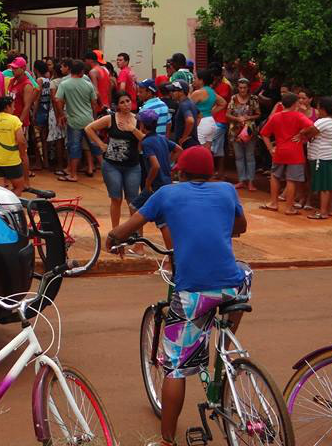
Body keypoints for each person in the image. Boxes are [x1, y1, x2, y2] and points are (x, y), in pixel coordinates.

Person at [107, 146, 249, 446]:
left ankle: (167, 441)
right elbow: (240, 227)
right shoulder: (227, 190)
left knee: (174, 367)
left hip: (193, 291)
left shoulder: (167, 194)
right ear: (211, 172)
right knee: (244, 271)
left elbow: (126, 229)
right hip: (233, 287)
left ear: (180, 172)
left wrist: (112, 240)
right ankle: (224, 350)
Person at [86, 92, 145, 229]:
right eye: (122, 102)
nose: (126, 105)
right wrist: (100, 144)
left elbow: (144, 139)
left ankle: (137, 236)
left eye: (128, 101)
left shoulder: (138, 119)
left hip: (132, 166)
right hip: (112, 165)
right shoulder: (110, 119)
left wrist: (132, 129)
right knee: (116, 198)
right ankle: (115, 232)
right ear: (117, 105)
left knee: (133, 201)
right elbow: (89, 128)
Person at [260, 92, 316, 214]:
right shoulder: (298, 116)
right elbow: (312, 127)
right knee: (292, 179)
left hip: (280, 150)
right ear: (295, 103)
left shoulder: (276, 116)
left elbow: (264, 134)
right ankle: (289, 207)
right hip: (295, 151)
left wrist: (270, 149)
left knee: (275, 176)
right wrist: (301, 134)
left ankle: (273, 203)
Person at [54, 60, 98, 182]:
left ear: (70, 70)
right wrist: (94, 118)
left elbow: (57, 100)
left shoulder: (64, 84)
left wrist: (61, 114)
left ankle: (73, 174)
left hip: (74, 121)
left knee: (74, 147)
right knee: (95, 146)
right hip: (89, 120)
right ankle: (106, 173)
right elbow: (94, 103)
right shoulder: (88, 84)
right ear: (82, 71)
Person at [132, 109, 182, 212]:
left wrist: (148, 182)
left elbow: (155, 166)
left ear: (142, 125)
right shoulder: (161, 138)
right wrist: (168, 163)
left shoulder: (147, 142)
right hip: (167, 182)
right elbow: (179, 150)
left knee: (133, 207)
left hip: (156, 185)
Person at [307, 96, 332, 220]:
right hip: (331, 156)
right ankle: (329, 209)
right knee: (331, 185)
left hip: (321, 157)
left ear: (323, 109)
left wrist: (301, 133)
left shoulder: (322, 122)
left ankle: (322, 212)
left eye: (318, 108)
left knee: (324, 186)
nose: (317, 111)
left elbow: (309, 133)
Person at [226, 77, 261, 191]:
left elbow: (258, 114)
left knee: (250, 156)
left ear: (248, 88)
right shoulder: (233, 98)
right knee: (239, 156)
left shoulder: (254, 99)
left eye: (244, 88)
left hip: (249, 131)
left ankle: (250, 182)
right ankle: (241, 180)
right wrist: (237, 119)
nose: (242, 90)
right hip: (236, 131)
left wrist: (248, 117)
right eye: (240, 88)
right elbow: (227, 114)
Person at [209, 62, 233, 179]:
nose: (213, 79)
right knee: (216, 147)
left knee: (215, 148)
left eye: (214, 77)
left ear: (219, 77)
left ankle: (217, 172)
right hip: (213, 119)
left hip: (221, 120)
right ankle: (218, 172)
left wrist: (211, 89)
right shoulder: (213, 87)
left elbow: (220, 100)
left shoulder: (225, 86)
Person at [191, 68, 226, 147]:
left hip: (201, 123)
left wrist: (189, 92)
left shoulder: (197, 93)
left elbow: (188, 106)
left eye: (195, 78)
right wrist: (210, 112)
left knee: (198, 149)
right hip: (210, 121)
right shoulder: (211, 91)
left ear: (201, 80)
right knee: (207, 149)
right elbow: (223, 103)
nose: (193, 80)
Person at [5, 56, 35, 128]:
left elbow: (27, 106)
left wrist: (19, 123)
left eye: (15, 68)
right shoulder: (12, 81)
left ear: (23, 68)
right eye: (12, 68)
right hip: (10, 120)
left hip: (19, 123)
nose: (13, 70)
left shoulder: (27, 85)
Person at [168, 81, 200, 149]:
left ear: (182, 92)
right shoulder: (190, 102)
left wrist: (184, 138)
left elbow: (190, 121)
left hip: (187, 143)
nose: (171, 93)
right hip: (192, 141)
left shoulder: (184, 105)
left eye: (173, 91)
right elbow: (199, 115)